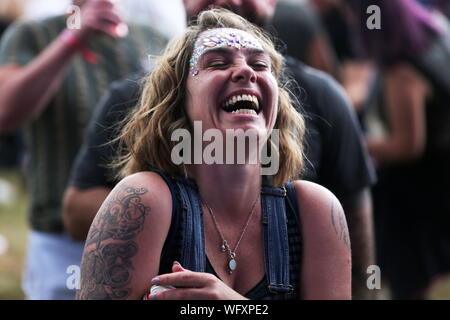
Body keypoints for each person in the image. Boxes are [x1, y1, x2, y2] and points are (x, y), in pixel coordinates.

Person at [64, 0, 376, 299]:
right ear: (178, 102)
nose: (246, 72)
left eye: (259, 64)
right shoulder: (145, 201)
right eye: (217, 62)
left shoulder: (314, 211)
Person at [0, 0, 167, 299]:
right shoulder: (33, 34)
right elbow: (6, 114)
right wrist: (73, 38)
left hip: (145, 235)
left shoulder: (154, 37)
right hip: (62, 239)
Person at [349, 0, 450, 299]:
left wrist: (358, 146)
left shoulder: (401, 73)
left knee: (411, 277)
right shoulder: (432, 40)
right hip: (438, 180)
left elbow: (408, 145)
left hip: (417, 194)